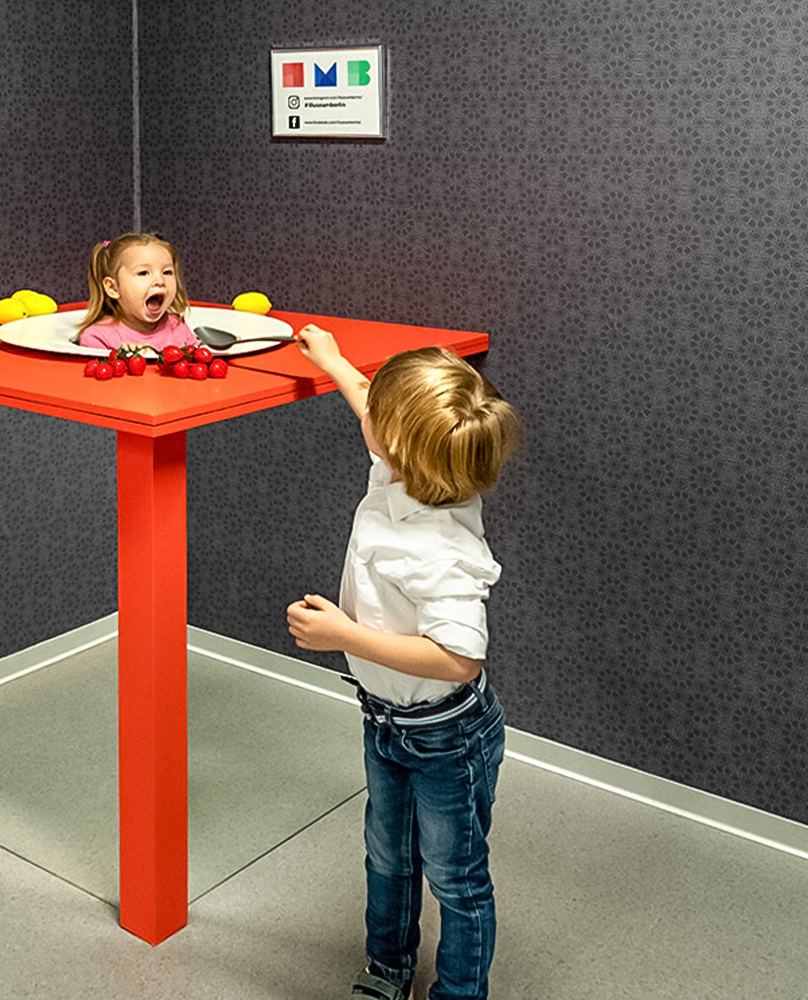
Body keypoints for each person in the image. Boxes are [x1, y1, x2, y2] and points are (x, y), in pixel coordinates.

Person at [285, 325, 522, 1000]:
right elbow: (371, 404)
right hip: (386, 720)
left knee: (456, 878)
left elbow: (458, 659)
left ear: (397, 446)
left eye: (383, 424)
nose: (371, 424)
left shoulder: (442, 549)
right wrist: (332, 360)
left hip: (448, 735)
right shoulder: (404, 468)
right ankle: (388, 970)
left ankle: (458, 993)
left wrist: (344, 636)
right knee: (389, 859)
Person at [76, 233, 198, 352]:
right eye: (143, 273)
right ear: (113, 288)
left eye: (167, 272)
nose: (160, 281)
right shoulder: (98, 337)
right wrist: (126, 359)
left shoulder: (177, 327)